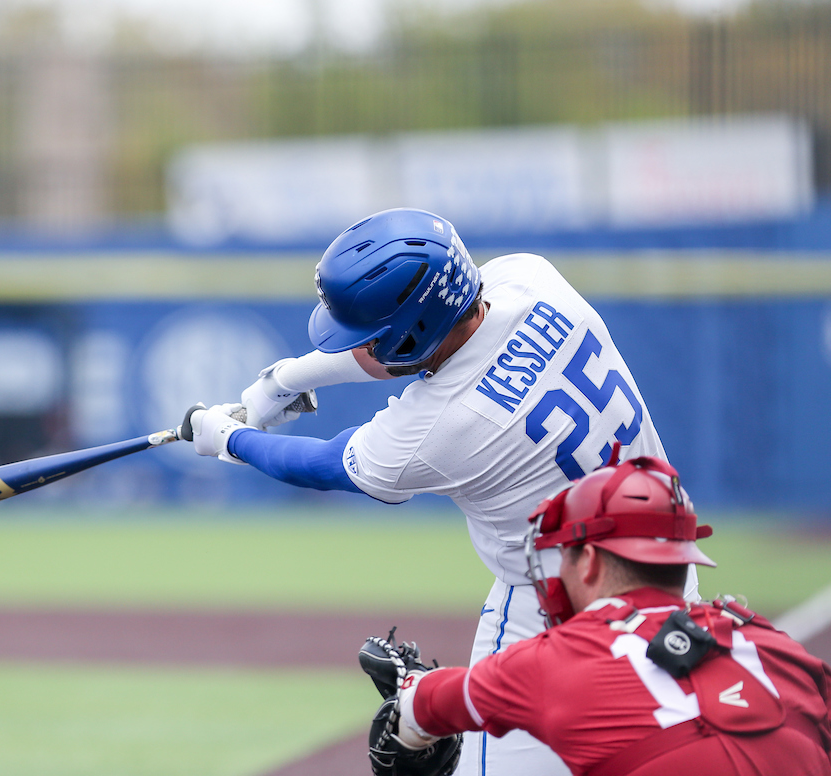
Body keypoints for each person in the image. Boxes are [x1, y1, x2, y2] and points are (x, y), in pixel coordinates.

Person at [185, 207, 697, 775]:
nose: (367, 348)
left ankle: (430, 700)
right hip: (667, 570)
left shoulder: (446, 425)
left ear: (409, 335)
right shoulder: (529, 278)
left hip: (553, 609)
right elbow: (404, 347)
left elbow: (320, 462)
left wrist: (229, 437)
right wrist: (282, 381)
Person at [364, 453, 831, 776]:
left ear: (589, 561)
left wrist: (408, 711)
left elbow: (423, 705)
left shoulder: (555, 658)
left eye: (564, 554)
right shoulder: (771, 644)